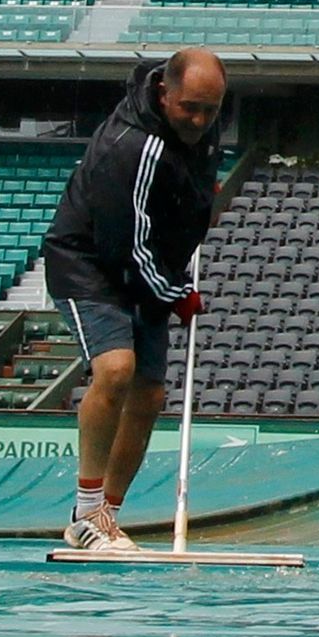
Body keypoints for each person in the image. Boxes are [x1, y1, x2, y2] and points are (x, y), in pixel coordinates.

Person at [43, 47, 226, 552]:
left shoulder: (202, 128)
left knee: (150, 394)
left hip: (144, 267)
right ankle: (84, 512)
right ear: (164, 93)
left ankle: (107, 518)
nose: (200, 120)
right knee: (117, 369)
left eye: (211, 110)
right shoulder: (131, 146)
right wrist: (176, 294)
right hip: (88, 264)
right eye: (190, 107)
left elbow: (189, 195)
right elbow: (124, 245)